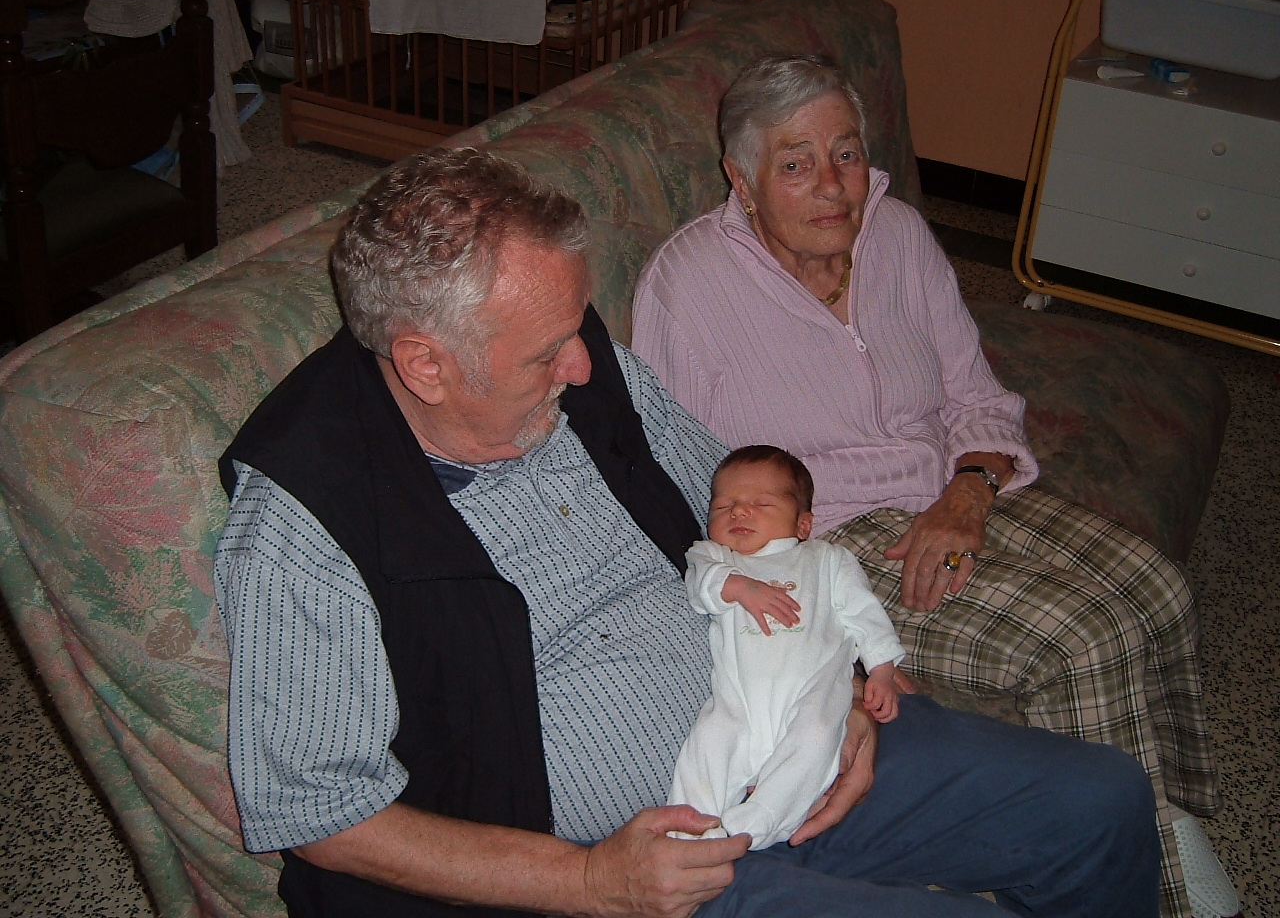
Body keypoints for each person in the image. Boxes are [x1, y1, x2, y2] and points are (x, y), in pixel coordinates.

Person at [214, 146, 1161, 918]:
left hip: (778, 721)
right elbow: (317, 813)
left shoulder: (579, 363)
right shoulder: (309, 518)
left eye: (577, 327)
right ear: (426, 364)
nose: (584, 366)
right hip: (635, 870)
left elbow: (744, 513)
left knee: (1104, 802)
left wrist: (835, 677)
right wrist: (590, 882)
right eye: (547, 353)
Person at [630, 54, 1236, 918]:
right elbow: (670, 478)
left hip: (949, 489)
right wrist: (805, 641)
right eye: (796, 163)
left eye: (846, 152)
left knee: (1157, 588)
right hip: (825, 546)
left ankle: (1159, 816)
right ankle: (1159, 876)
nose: (834, 184)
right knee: (1082, 638)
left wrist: (970, 491)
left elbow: (975, 394)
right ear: (743, 179)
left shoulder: (899, 235)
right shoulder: (689, 287)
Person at [668, 445, 908, 851]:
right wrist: (739, 586)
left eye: (761, 503)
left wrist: (882, 668)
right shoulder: (714, 557)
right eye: (723, 506)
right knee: (709, 741)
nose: (738, 512)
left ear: (803, 524)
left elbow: (863, 614)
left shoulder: (827, 560)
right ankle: (689, 828)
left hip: (813, 690)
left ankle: (762, 820)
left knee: (818, 738)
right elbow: (701, 587)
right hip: (739, 697)